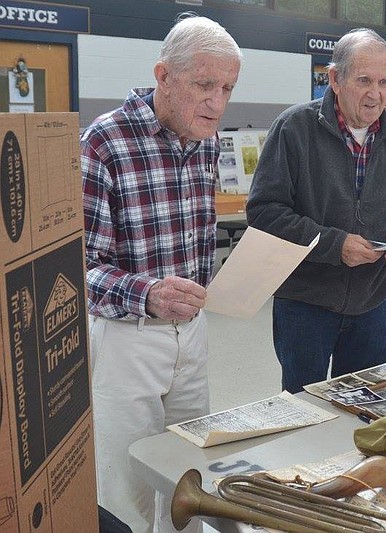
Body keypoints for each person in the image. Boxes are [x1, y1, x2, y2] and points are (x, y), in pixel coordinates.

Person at [81, 14, 241, 533]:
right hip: (126, 340)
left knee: (188, 472)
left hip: (191, 335)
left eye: (227, 88)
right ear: (163, 76)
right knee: (125, 482)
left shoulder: (207, 141)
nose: (216, 102)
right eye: (204, 85)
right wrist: (147, 293)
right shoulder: (104, 142)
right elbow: (78, 270)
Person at [246, 28, 386, 394]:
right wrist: (335, 245)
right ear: (334, 78)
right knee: (303, 411)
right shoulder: (294, 129)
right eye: (364, 80)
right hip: (306, 303)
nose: (376, 94)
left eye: (383, 81)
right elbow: (265, 212)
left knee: (365, 406)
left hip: (373, 303)